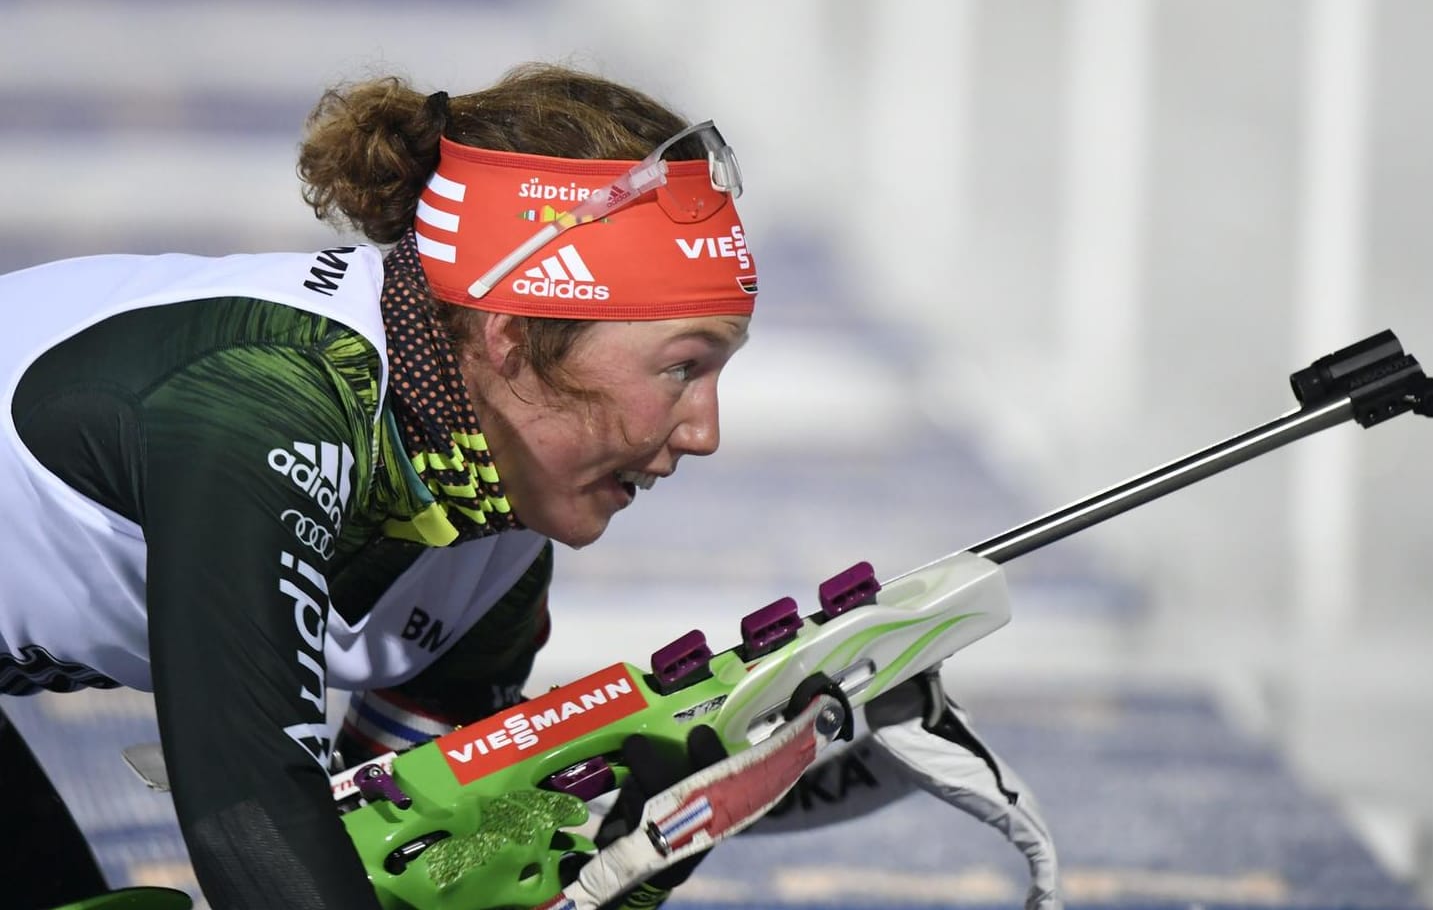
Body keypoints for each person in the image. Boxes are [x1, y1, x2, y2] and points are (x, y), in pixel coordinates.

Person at [0, 62, 1061, 910]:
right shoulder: (264, 407)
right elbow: (250, 815)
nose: (707, 430)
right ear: (515, 336)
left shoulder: (489, 519)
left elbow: (399, 843)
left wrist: (630, 814)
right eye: (684, 364)